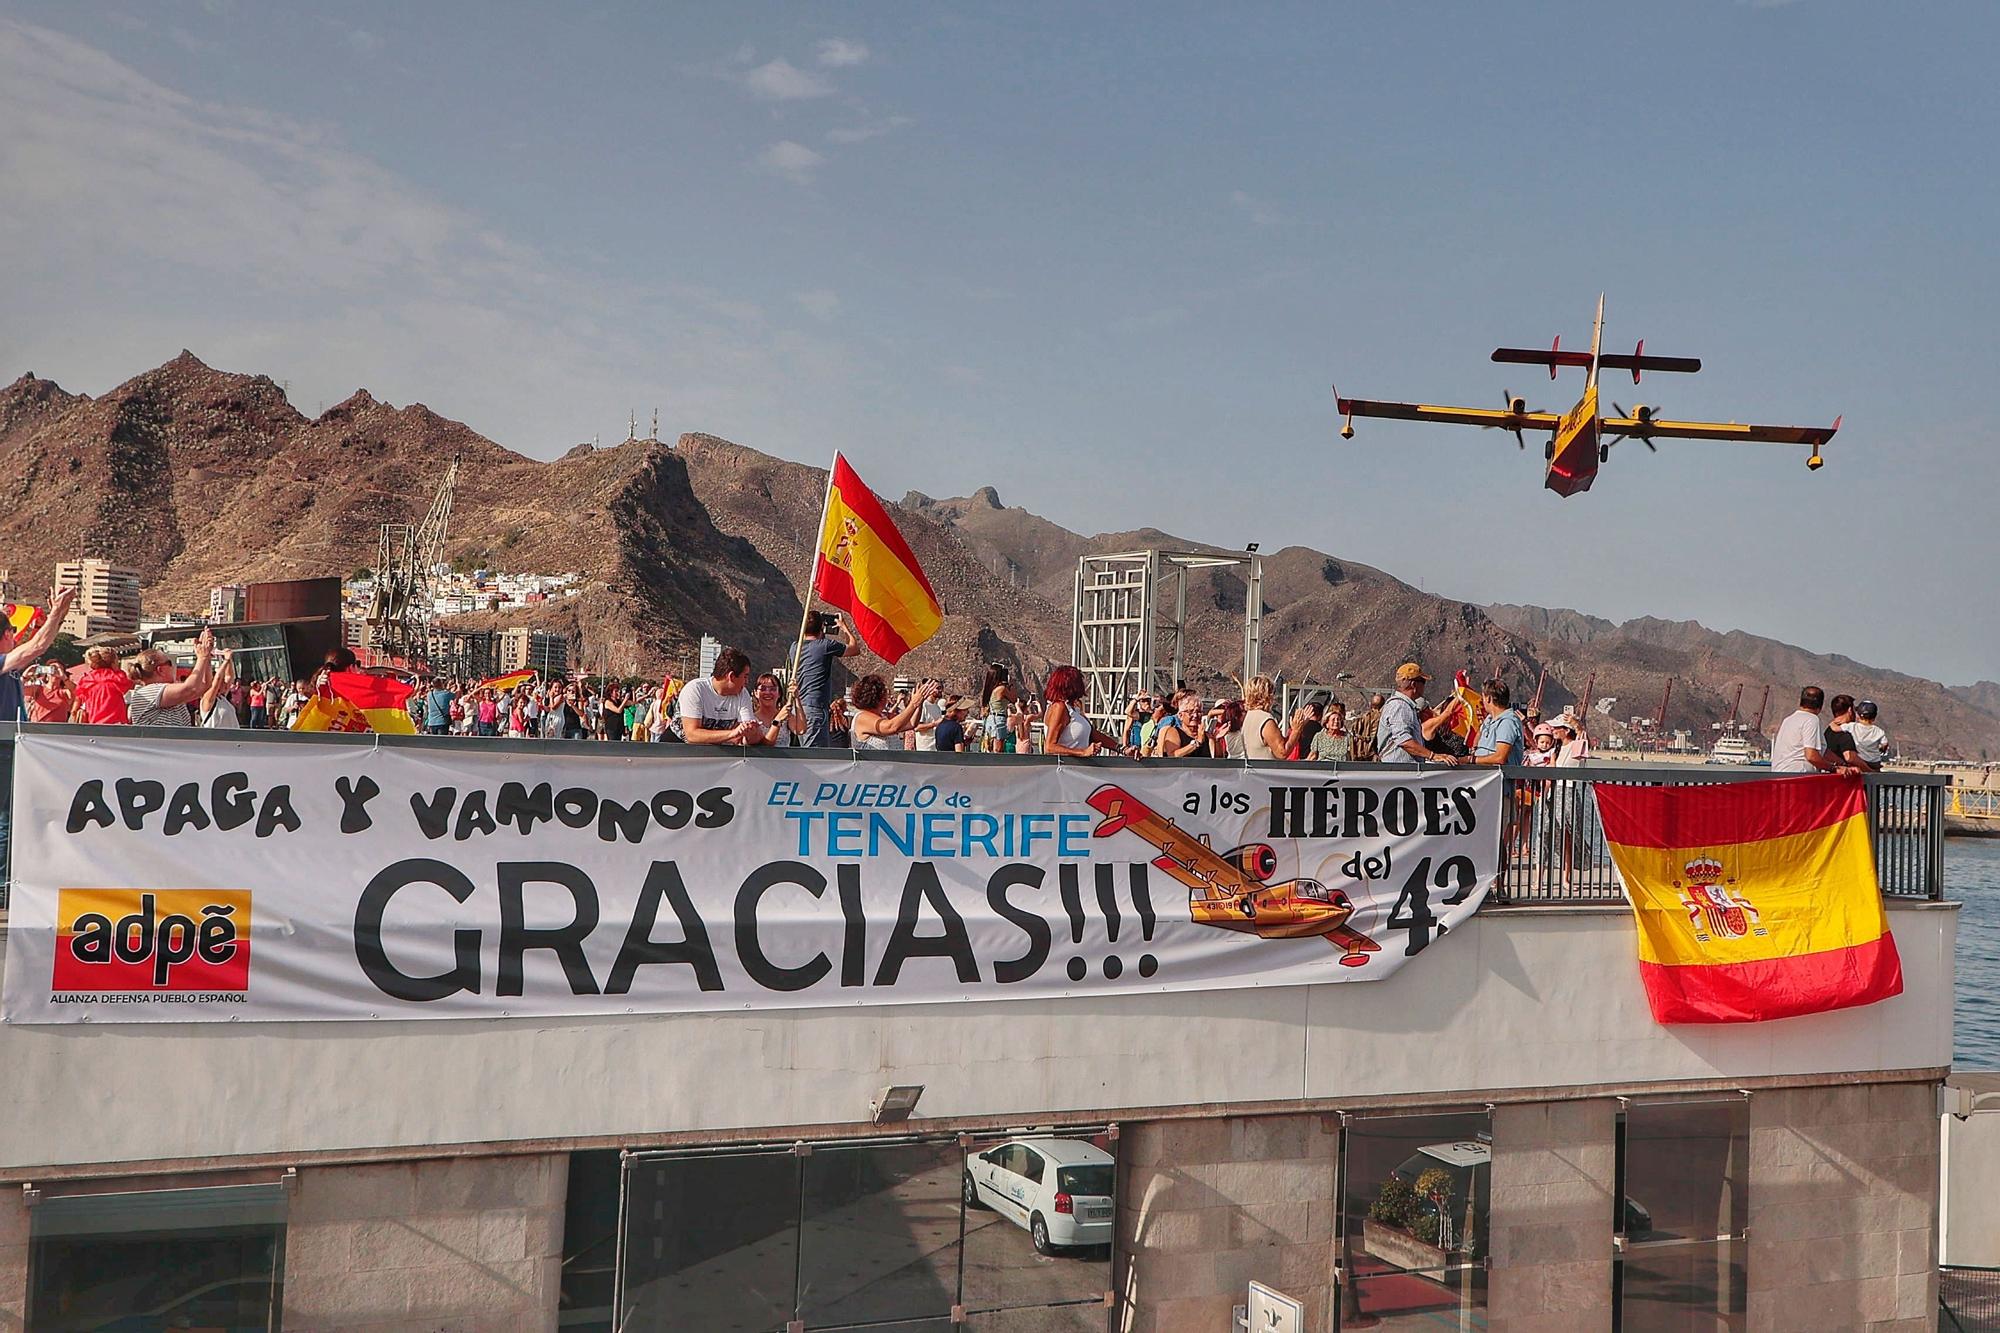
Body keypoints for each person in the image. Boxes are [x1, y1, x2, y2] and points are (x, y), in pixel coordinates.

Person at [1376, 664, 1462, 766]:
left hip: (1404, 771)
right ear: (1413, 684)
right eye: (1423, 682)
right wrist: (1433, 756)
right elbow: (1404, 740)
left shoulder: (1406, 706)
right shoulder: (1400, 706)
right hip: (1400, 771)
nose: (1424, 686)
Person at [125, 630, 215, 727]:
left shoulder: (159, 692)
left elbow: (204, 685)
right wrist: (202, 657)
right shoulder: (147, 692)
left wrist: (206, 657)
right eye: (169, 663)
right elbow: (191, 688)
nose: (173, 667)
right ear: (160, 670)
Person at [675, 649, 764, 745]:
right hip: (677, 749)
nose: (747, 682)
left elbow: (745, 737)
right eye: (745, 676)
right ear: (731, 676)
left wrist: (752, 733)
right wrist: (732, 734)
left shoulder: (742, 694)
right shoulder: (695, 690)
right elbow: (692, 735)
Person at [793, 612, 853, 747]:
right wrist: (844, 628)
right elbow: (854, 649)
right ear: (822, 627)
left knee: (806, 749)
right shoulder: (825, 645)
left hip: (799, 707)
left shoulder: (794, 648)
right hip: (815, 708)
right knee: (815, 756)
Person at [1042, 664, 1130, 756]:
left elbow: (1093, 734)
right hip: (1064, 768)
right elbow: (1049, 747)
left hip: (1080, 768)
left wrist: (1121, 749)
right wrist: (1083, 752)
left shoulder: (1073, 708)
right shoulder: (1059, 707)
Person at [850, 674, 937, 750]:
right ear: (879, 696)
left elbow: (912, 723)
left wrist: (919, 703)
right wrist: (913, 703)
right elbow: (891, 727)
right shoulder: (862, 717)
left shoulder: (883, 716)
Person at [1771, 686, 1838, 773]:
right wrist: (1833, 768)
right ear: (1821, 705)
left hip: (1779, 776)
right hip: (1797, 777)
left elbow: (1823, 752)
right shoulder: (1811, 720)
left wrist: (1843, 764)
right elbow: (1811, 755)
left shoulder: (1788, 720)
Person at [1467, 679, 1523, 767]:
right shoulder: (1489, 719)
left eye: (1483, 698)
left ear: (1488, 698)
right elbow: (1478, 736)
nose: (1482, 701)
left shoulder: (1507, 722)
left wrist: (1471, 760)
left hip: (1498, 778)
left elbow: (1500, 757)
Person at [74, 644, 133, 725]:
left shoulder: (86, 680)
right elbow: (128, 686)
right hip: (116, 724)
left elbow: (78, 701)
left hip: (94, 724)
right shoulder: (118, 678)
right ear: (113, 662)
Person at [749, 671, 805, 747]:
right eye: (763, 688)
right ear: (756, 693)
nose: (768, 692)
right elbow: (765, 746)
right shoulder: (751, 719)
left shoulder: (786, 716)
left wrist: (796, 698)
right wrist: (777, 720)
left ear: (779, 693)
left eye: (772, 689)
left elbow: (801, 730)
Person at [1240, 676, 1288, 761]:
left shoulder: (1248, 716)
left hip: (1253, 770)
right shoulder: (1265, 719)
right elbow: (1282, 752)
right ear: (1267, 695)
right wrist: (1296, 731)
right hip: (1267, 772)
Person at [1154, 692, 1208, 759]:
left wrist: (1215, 739)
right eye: (1190, 712)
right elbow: (1172, 756)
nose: (1195, 715)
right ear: (1180, 715)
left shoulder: (1205, 734)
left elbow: (1218, 759)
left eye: (1199, 712)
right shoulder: (1172, 732)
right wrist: (1196, 743)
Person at [981, 663, 1019, 753]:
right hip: (999, 718)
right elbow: (1013, 699)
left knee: (990, 746)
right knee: (999, 747)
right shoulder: (1002, 689)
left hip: (991, 718)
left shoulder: (991, 689)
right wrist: (1012, 685)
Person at [198, 649, 241, 728]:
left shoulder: (221, 697)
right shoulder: (207, 699)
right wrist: (226, 660)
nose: (225, 683)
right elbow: (217, 679)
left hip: (230, 738)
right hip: (216, 738)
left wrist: (229, 660)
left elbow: (230, 676)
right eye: (223, 682)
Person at [1848, 700, 1890, 769]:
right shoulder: (1879, 731)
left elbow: (1837, 728)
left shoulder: (1852, 726)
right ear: (1874, 717)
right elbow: (1885, 744)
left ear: (1858, 715)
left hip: (1860, 761)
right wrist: (1881, 749)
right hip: (1875, 762)